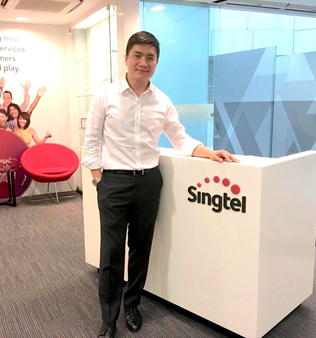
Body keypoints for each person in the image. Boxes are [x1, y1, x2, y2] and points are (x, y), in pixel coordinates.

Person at [82, 31, 238, 338]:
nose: (143, 62)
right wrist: (98, 178)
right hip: (113, 183)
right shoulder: (105, 96)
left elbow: (179, 137)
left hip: (149, 183)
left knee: (141, 248)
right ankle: (109, 316)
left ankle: (132, 306)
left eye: (150, 57)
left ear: (156, 62)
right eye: (137, 55)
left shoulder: (162, 100)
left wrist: (209, 152)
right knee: (111, 252)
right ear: (126, 58)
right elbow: (91, 140)